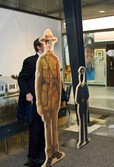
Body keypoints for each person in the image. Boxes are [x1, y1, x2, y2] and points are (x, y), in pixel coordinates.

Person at [35, 29, 65, 166]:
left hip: (54, 98)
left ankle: (56, 150)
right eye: (46, 42)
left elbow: (59, 81)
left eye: (50, 42)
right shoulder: (41, 60)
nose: (48, 44)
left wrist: (59, 99)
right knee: (48, 126)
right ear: (43, 44)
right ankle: (49, 154)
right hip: (45, 99)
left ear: (52, 43)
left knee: (54, 126)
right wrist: (39, 103)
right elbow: (38, 82)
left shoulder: (55, 59)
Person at [17, 38, 45, 165]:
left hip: (46, 101)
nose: (49, 45)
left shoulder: (48, 61)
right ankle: (33, 156)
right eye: (46, 43)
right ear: (39, 47)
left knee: (45, 128)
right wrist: (27, 93)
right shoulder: (30, 61)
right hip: (34, 101)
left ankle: (43, 152)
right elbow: (21, 79)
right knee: (36, 128)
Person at [75, 66, 90, 149]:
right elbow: (77, 99)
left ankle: (86, 138)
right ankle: (81, 140)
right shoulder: (78, 88)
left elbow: (88, 95)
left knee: (85, 122)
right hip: (80, 106)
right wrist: (81, 101)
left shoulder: (86, 86)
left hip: (85, 106)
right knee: (81, 123)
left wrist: (85, 99)